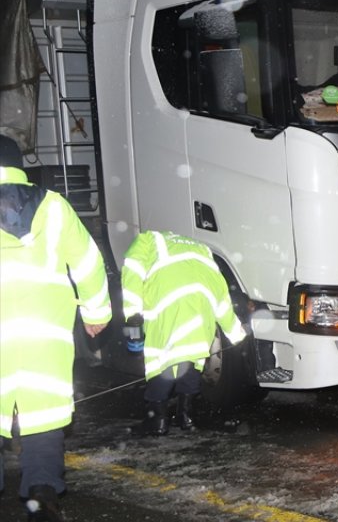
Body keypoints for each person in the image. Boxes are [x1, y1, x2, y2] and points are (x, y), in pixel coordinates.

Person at [0, 133, 111, 522]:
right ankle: (42, 497)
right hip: (43, 338)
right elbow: (87, 264)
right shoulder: (53, 206)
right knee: (43, 420)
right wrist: (96, 313)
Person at [120, 230, 246, 435]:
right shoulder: (203, 249)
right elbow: (221, 295)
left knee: (160, 361)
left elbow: (132, 269)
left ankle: (158, 420)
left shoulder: (148, 239)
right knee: (192, 356)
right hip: (201, 306)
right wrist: (236, 333)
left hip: (167, 301)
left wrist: (133, 311)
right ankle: (186, 416)